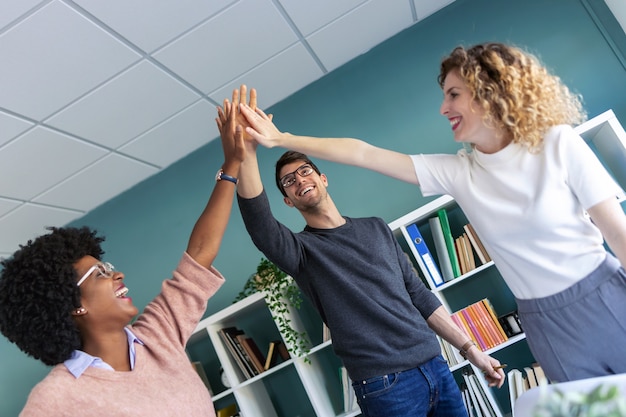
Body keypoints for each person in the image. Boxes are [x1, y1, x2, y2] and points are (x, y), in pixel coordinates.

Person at [238, 42, 626, 384]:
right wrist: (280, 139)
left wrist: (281, 139)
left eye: (454, 94)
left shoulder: (557, 143)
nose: (444, 107)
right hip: (542, 320)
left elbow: (619, 235)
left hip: (605, 294)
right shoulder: (460, 173)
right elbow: (363, 153)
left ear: (488, 91)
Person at [223, 87, 504, 417]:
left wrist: (472, 351)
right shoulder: (300, 252)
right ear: (289, 200)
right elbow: (259, 224)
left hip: (436, 365)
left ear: (322, 178)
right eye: (288, 182)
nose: (299, 180)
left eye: (304, 171)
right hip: (385, 386)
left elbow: (420, 295)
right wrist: (247, 153)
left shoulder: (376, 227)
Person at [0, 99, 245, 416]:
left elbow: (199, 254)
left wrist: (232, 165)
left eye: (108, 268)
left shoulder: (158, 336)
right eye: (99, 274)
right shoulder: (56, 399)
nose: (118, 275)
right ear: (74, 304)